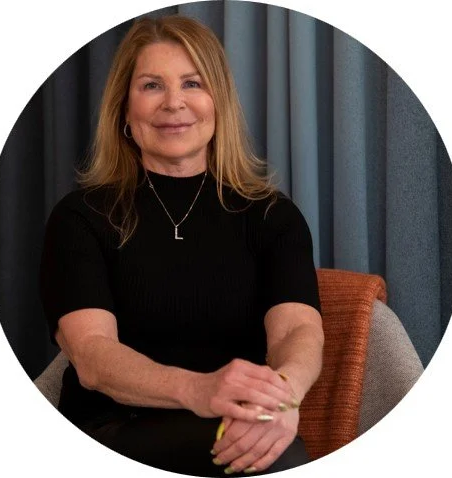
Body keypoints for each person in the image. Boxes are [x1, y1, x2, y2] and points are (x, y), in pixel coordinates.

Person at [40, 15, 324, 477]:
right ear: (124, 109)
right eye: (152, 86)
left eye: (192, 83)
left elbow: (297, 330)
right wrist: (199, 390)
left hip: (230, 419)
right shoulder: (80, 217)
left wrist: (282, 398)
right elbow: (92, 354)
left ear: (218, 102)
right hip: (112, 430)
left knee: (274, 453)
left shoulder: (273, 215)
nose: (174, 103)